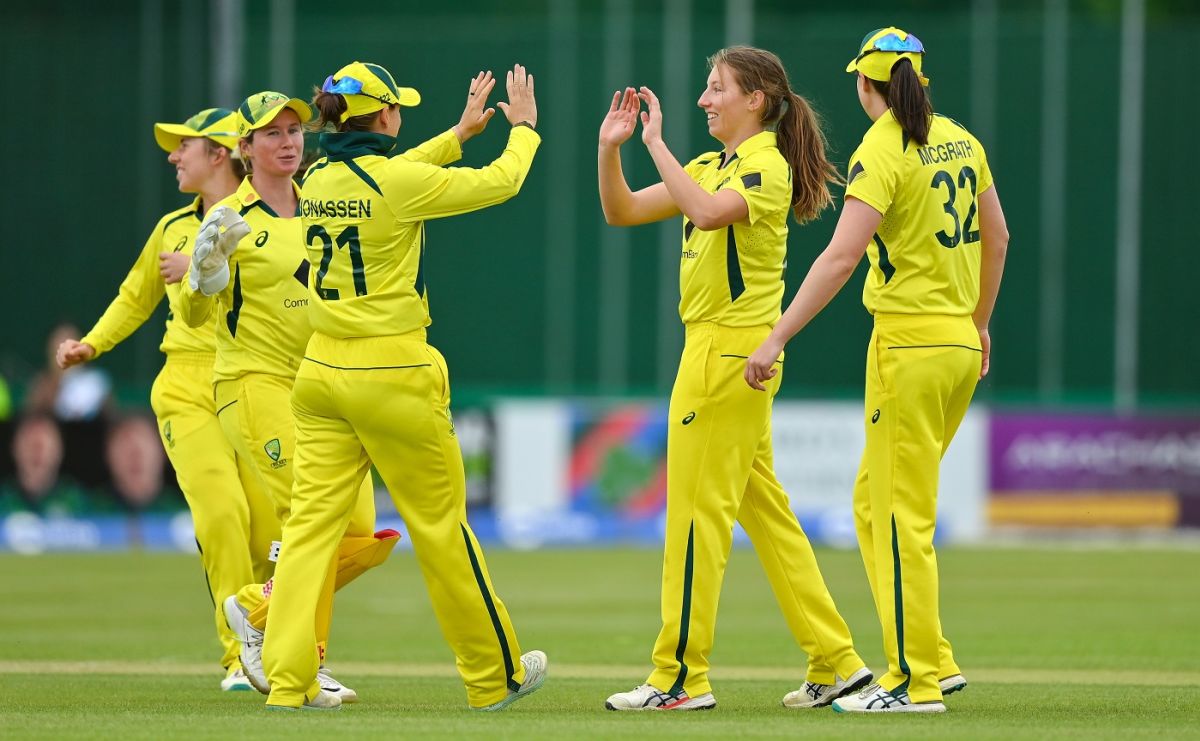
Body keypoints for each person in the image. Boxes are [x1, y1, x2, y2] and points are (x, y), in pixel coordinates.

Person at [258, 61, 546, 712]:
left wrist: (458, 133)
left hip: (320, 372)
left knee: (308, 531)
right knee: (442, 526)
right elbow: (500, 183)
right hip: (391, 372)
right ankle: (491, 673)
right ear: (384, 116)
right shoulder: (391, 181)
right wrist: (522, 128)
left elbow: (387, 177)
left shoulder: (317, 176)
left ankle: (287, 678)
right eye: (397, 111)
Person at [597, 46, 872, 712]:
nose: (703, 99)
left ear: (757, 99)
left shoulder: (766, 165)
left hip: (727, 357)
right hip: (719, 353)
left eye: (716, 88)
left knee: (696, 520)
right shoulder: (711, 164)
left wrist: (657, 144)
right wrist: (613, 149)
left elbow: (710, 213)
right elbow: (624, 210)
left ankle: (680, 676)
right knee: (768, 517)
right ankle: (837, 661)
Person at [745, 28, 1009, 714]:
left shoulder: (881, 150)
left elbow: (838, 257)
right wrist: (978, 323)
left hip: (910, 348)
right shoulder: (961, 139)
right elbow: (998, 236)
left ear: (866, 86)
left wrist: (776, 335)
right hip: (955, 343)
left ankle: (913, 680)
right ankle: (937, 661)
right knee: (876, 505)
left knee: (895, 518)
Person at [175, 90, 398, 707]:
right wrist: (205, 270)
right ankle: (302, 660)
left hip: (323, 388)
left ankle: (259, 611)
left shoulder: (323, 197)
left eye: (295, 129)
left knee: (362, 539)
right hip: (254, 383)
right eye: (270, 134)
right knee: (313, 521)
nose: (288, 141)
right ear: (243, 149)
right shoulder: (227, 217)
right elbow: (195, 316)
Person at [54, 109, 277, 692]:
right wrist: (91, 344)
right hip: (185, 384)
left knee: (267, 531)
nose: (174, 156)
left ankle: (274, 643)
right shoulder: (172, 226)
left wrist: (211, 265)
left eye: (185, 147)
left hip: (252, 380)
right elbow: (136, 295)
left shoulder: (269, 215)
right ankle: (237, 660)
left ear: (221, 155)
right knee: (222, 515)